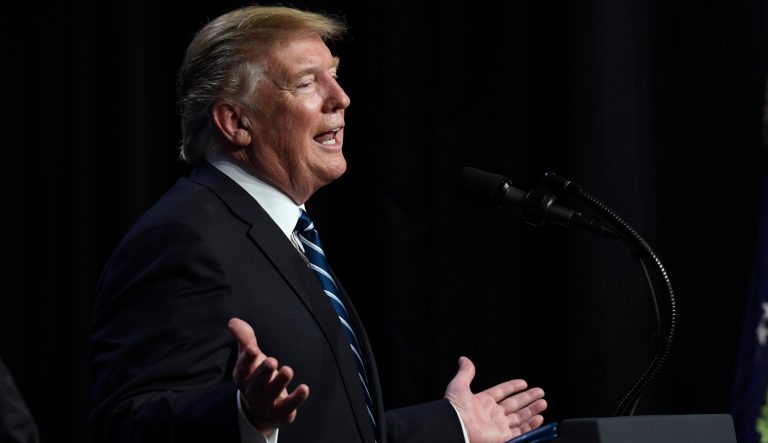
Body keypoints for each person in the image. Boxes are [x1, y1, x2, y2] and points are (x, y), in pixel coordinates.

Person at [89, 6, 547, 443]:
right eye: (307, 82)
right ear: (235, 121)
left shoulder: (286, 235)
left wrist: (452, 426)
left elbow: (326, 430)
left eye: (335, 75)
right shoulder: (185, 238)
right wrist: (243, 417)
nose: (341, 98)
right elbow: (129, 425)